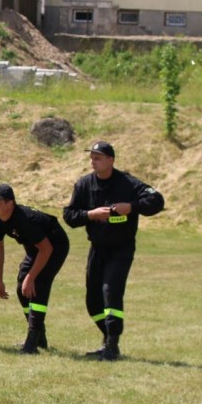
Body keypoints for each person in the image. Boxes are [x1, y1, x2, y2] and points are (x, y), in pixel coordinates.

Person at [63, 141, 164, 361]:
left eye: (98, 158)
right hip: (98, 248)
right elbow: (69, 216)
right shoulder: (84, 184)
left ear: (111, 160)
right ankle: (107, 337)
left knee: (110, 292)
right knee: (93, 301)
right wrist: (90, 215)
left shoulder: (127, 183)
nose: (93, 161)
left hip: (121, 248)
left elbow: (156, 200)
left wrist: (132, 207)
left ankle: (112, 345)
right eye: (92, 158)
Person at [0, 184, 70, 354]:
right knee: (22, 289)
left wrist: (31, 277)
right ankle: (40, 339)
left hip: (55, 245)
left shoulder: (25, 219)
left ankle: (32, 343)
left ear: (10, 203)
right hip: (35, 248)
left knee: (37, 285)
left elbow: (46, 248)